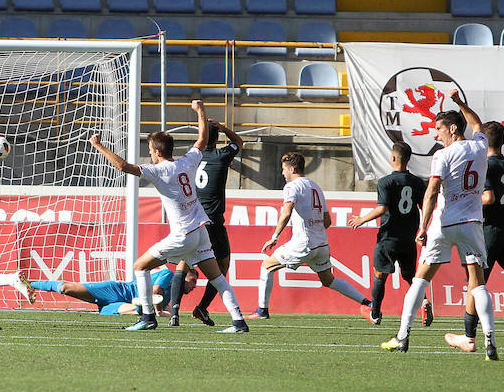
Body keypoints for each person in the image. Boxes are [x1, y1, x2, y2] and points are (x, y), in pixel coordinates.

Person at [90, 100, 249, 333]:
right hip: (200, 231)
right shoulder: (188, 161)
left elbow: (123, 166)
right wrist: (200, 111)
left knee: (140, 266)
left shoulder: (158, 170)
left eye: (151, 151)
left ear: (156, 152)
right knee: (218, 278)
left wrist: (98, 146)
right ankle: (238, 322)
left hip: (183, 234)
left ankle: (147, 317)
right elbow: (203, 139)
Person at [381, 90, 498, 360]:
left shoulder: (442, 156)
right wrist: (459, 103)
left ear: (453, 129)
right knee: (478, 283)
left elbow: (432, 190)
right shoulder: (480, 146)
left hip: (444, 225)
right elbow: (478, 125)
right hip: (471, 223)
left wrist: (422, 226)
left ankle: (402, 336)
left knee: (421, 279)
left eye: (438, 129)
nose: (435, 134)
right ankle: (490, 340)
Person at [247, 152, 372, 320]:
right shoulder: (315, 187)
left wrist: (275, 236)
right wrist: (315, 231)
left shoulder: (292, 187)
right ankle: (367, 302)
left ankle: (262, 311)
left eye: (284, 169)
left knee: (266, 266)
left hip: (303, 244)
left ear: (292, 169)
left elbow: (286, 212)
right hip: (320, 244)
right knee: (329, 280)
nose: (282, 173)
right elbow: (327, 220)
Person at [444, 120, 504, 355]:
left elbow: (488, 198)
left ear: (485, 141)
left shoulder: (485, 165)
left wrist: (470, 200)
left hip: (488, 233)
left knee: (475, 284)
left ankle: (469, 337)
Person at [169, 120, 243, 327]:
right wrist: (224, 128)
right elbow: (238, 141)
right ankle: (202, 307)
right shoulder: (222, 155)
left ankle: (174, 312)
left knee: (184, 262)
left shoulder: (189, 159)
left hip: (192, 219)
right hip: (213, 220)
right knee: (222, 266)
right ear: (217, 138)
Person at [348, 142, 430, 327]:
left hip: (388, 238)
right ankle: (424, 302)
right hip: (409, 238)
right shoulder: (417, 182)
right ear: (408, 159)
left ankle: (375, 313)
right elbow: (425, 207)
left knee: (380, 276)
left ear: (393, 158)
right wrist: (423, 229)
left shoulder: (386, 181)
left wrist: (362, 219)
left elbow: (382, 208)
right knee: (410, 277)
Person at [33, 268, 197, 315]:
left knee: (136, 310)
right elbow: (155, 290)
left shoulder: (170, 297)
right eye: (193, 280)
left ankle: (139, 307)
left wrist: (163, 310)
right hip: (118, 291)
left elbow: (161, 301)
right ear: (183, 276)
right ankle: (31, 284)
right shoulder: (169, 274)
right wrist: (160, 311)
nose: (194, 286)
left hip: (119, 304)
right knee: (65, 288)